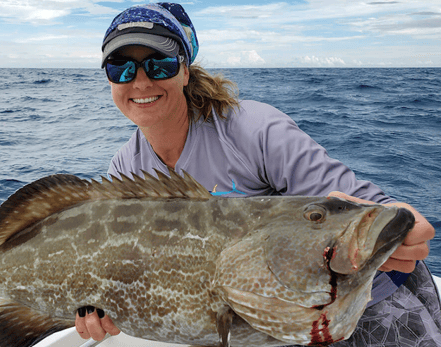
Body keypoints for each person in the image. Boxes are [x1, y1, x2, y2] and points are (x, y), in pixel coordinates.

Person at [75, 2, 440, 345]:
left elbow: (351, 203)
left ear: (185, 71)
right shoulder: (125, 170)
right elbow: (125, 268)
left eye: (160, 65)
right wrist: (96, 306)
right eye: (120, 67)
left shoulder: (253, 128)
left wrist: (397, 225)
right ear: (109, 80)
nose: (140, 82)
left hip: (362, 303)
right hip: (257, 325)